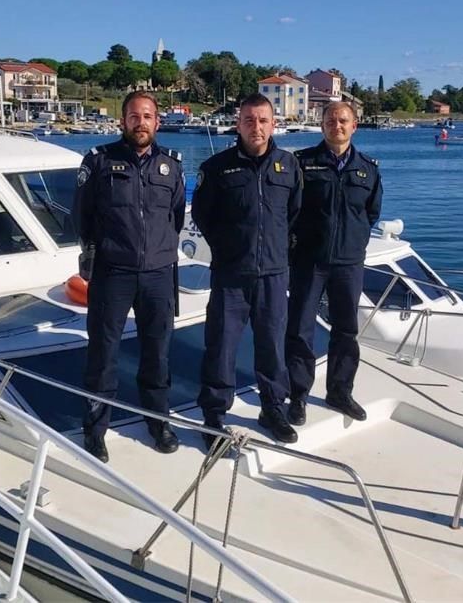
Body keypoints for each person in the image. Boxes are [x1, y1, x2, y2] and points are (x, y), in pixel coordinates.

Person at [71, 91, 185, 463]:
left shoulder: (171, 165)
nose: (141, 122)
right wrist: (101, 250)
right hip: (113, 273)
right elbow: (82, 216)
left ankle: (158, 421)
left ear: (157, 121)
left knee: (158, 352)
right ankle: (95, 429)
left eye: (147, 116)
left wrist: (158, 252)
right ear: (123, 121)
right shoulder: (99, 161)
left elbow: (176, 216)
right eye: (134, 116)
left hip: (158, 275)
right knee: (103, 352)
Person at [192, 94, 302, 447]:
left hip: (273, 273)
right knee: (221, 346)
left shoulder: (289, 166)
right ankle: (214, 416)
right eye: (249, 120)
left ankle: (272, 409)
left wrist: (276, 250)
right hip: (231, 275)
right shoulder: (217, 167)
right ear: (238, 124)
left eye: (263, 120)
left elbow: (294, 213)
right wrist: (228, 248)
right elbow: (203, 215)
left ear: (274, 125)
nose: (256, 127)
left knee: (272, 344)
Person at [286, 101, 383, 426]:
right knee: (300, 329)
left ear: (354, 126)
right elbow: (290, 210)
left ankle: (339, 392)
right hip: (309, 260)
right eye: (330, 120)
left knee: (346, 330)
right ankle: (298, 396)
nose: (336, 125)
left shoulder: (368, 169)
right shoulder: (302, 163)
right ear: (322, 125)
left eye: (342, 120)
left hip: (348, 262)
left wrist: (353, 241)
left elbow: (371, 213)